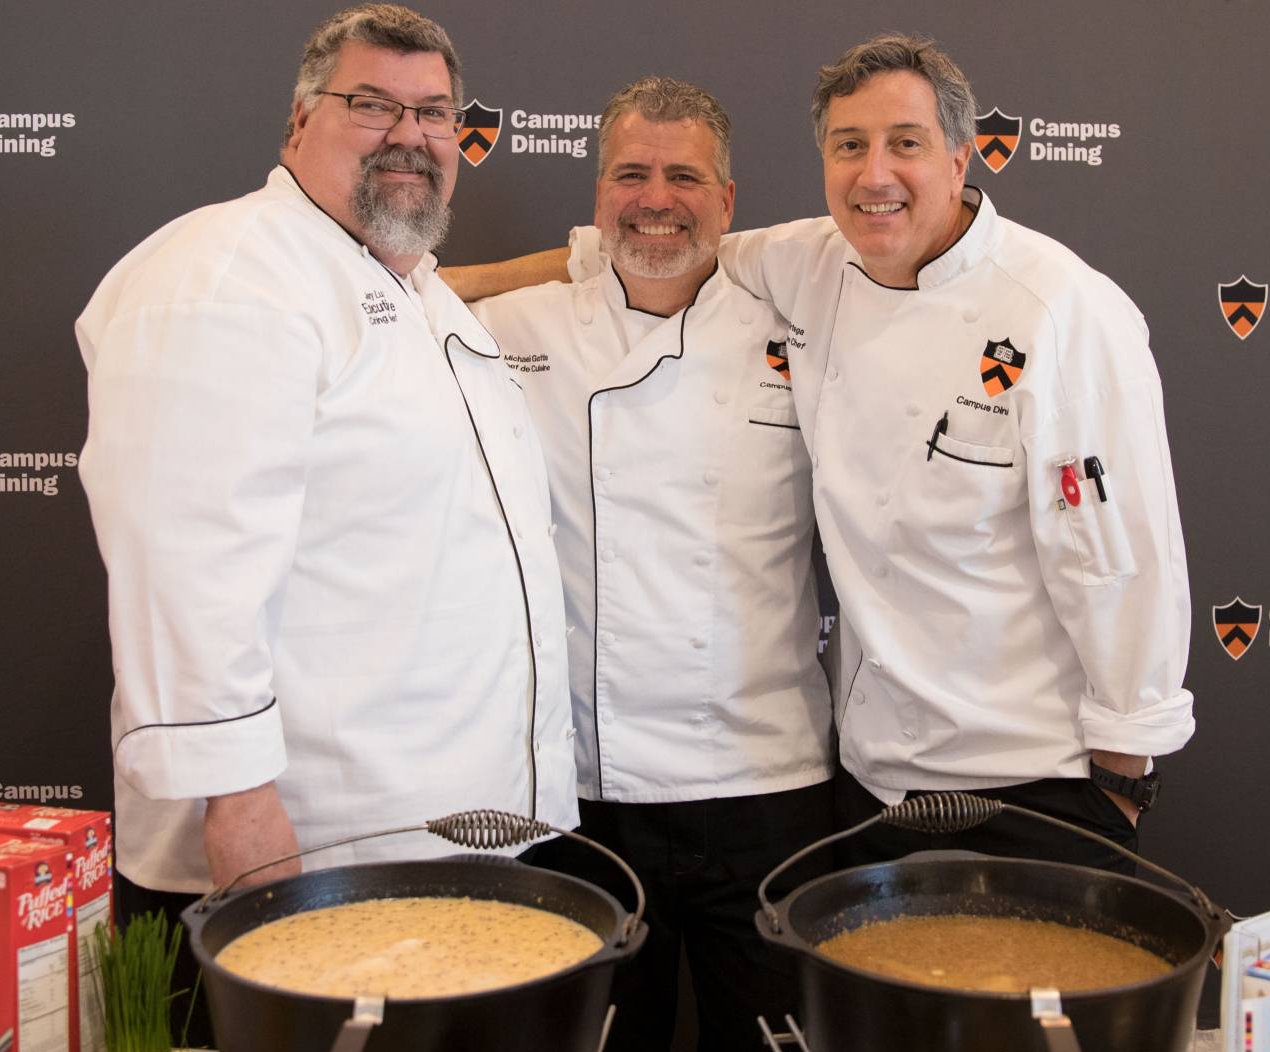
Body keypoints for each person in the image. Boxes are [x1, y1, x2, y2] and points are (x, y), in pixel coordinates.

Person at [466, 32, 1194, 874]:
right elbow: (649, 243)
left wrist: (1123, 773)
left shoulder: (1064, 311)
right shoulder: (812, 263)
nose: (874, 174)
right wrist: (439, 282)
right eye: (850, 146)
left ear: (962, 158)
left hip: (1033, 778)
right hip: (873, 776)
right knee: (871, 1009)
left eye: (906, 144)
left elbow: (1122, 564)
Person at [75, 3, 573, 1044]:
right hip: (300, 860)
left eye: (435, 113)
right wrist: (241, 813)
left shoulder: (409, 286)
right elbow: (187, 565)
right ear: (299, 120)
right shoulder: (226, 276)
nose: (411, 134)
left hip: (425, 854)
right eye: (372, 104)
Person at [467, 78, 834, 1052]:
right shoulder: (521, 327)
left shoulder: (802, 325)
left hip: (768, 789)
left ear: (728, 198)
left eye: (683, 176)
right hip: (583, 797)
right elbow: (390, 291)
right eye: (630, 175)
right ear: (595, 197)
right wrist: (561, 261)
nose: (655, 198)